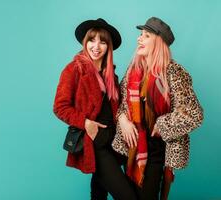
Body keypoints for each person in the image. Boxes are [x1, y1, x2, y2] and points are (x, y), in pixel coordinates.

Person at [112, 17, 204, 200]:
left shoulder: (173, 72)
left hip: (157, 148)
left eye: (146, 36)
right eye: (140, 35)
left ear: (159, 42)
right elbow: (120, 104)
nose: (139, 39)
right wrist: (122, 120)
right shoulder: (133, 70)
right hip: (132, 145)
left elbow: (194, 114)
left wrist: (163, 124)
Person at [53, 18, 136, 200]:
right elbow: (60, 107)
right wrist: (86, 123)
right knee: (128, 196)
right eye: (92, 40)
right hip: (94, 142)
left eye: (102, 41)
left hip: (113, 141)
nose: (96, 46)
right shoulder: (74, 69)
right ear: (85, 42)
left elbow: (118, 107)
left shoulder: (110, 75)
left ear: (108, 47)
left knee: (99, 192)